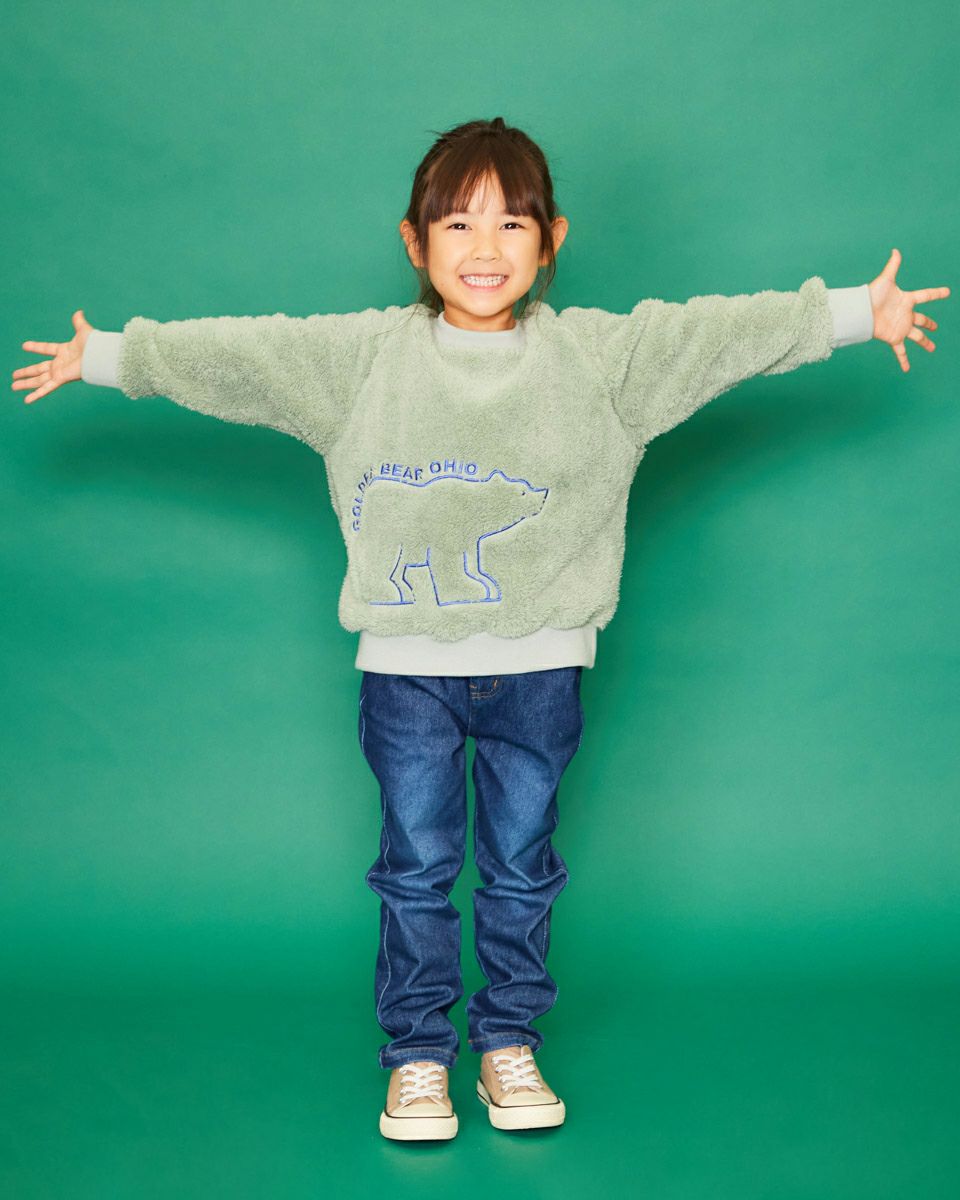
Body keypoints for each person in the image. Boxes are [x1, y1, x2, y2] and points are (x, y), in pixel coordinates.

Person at [11, 116, 950, 1143]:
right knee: (415, 869)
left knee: (521, 867)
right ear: (415, 242)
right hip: (405, 673)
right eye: (458, 223)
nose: (486, 247)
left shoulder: (602, 359)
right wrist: (111, 356)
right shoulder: (361, 360)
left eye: (513, 223)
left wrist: (855, 311)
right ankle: (418, 1055)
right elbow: (243, 354)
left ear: (552, 240)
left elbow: (714, 335)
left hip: (541, 670)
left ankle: (508, 1040)